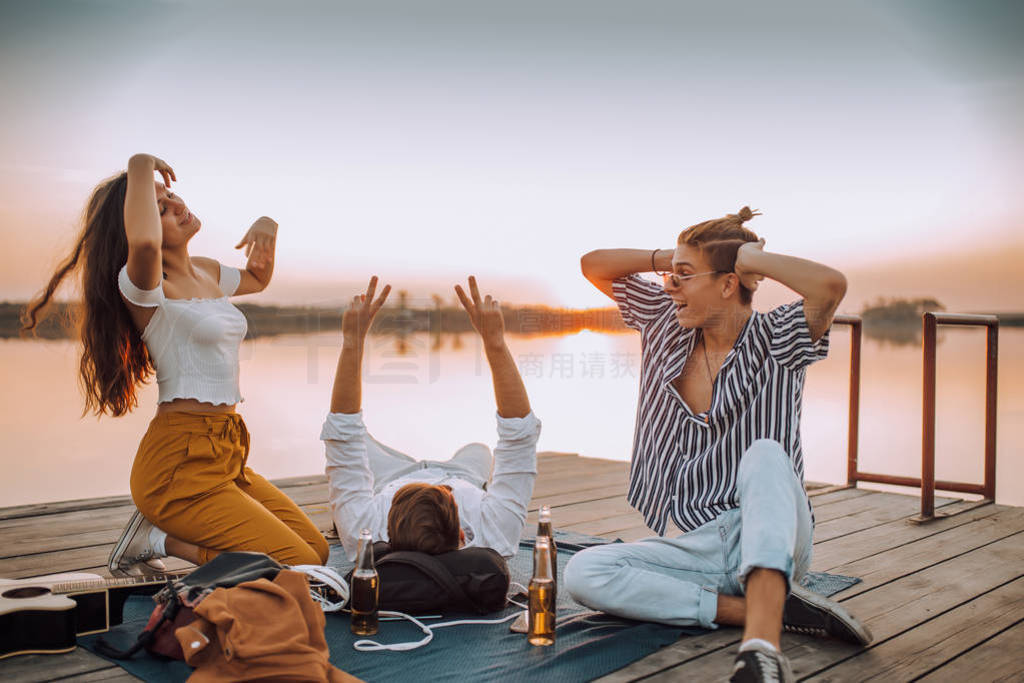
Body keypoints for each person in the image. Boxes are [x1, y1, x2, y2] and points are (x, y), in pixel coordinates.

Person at [564, 207, 871, 683]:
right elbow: (593, 263)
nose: (670, 285)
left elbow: (829, 286)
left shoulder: (778, 338)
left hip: (773, 532)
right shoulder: (666, 323)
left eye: (684, 277)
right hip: (699, 546)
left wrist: (745, 256)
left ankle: (762, 649)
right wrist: (680, 257)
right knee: (583, 573)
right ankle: (756, 610)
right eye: (671, 275)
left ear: (730, 284)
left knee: (766, 454)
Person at [23, 154, 329, 575]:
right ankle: (159, 539)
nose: (176, 205)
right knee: (302, 565)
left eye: (171, 196)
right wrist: (140, 163)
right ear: (138, 223)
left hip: (226, 451)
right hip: (177, 464)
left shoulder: (205, 271)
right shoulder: (143, 284)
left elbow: (258, 277)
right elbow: (145, 243)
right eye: (159, 208)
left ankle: (162, 535)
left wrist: (267, 226)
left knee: (319, 551)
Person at [322, 276, 541, 561]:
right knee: (478, 448)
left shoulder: (363, 531)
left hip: (389, 476)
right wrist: (495, 343)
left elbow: (343, 432)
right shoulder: (494, 534)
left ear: (386, 527)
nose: (432, 484)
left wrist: (353, 343)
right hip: (464, 475)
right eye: (445, 493)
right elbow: (519, 436)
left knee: (356, 439)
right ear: (463, 535)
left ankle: (401, 472)